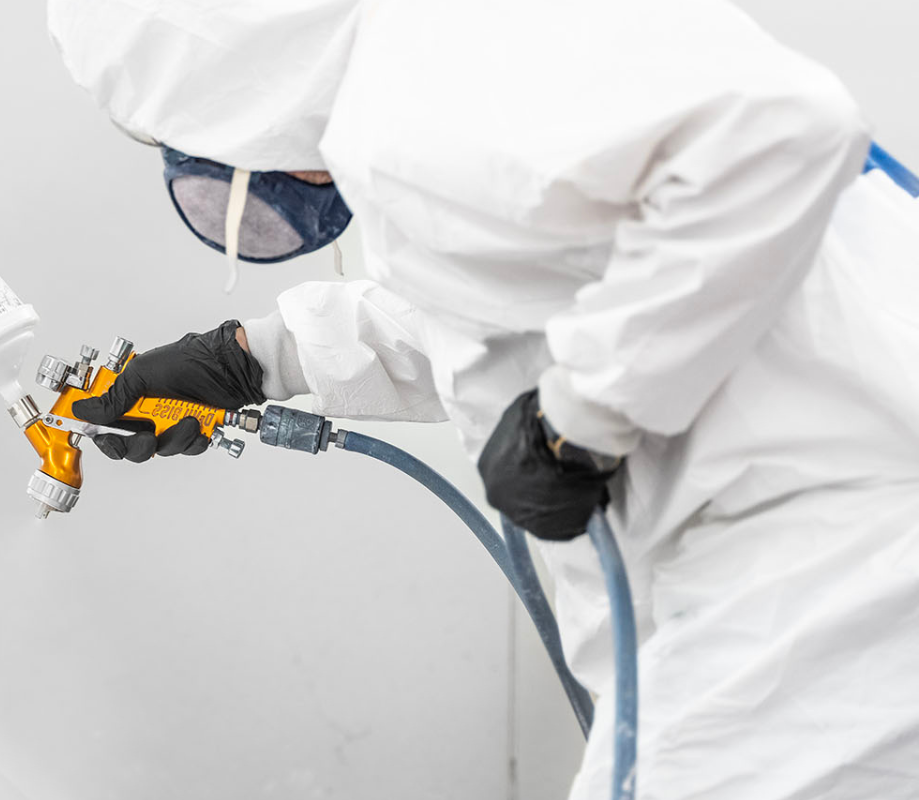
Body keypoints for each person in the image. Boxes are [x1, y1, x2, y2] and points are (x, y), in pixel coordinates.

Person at [47, 1, 919, 797]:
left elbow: (779, 137)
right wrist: (252, 360)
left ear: (228, 77)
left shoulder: (429, 81)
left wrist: (576, 428)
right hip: (801, 562)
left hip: (827, 562)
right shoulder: (418, 94)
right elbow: (513, 317)